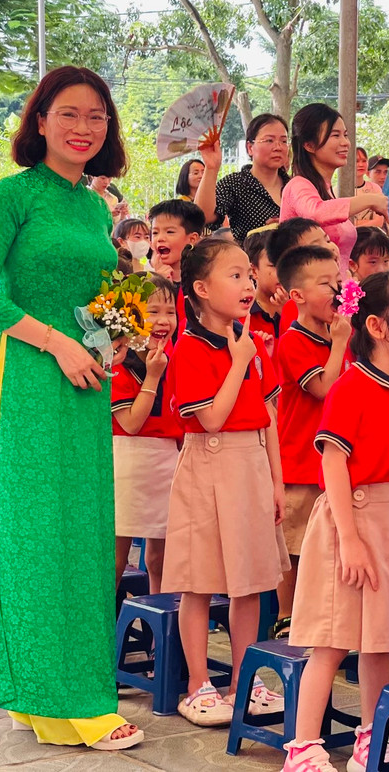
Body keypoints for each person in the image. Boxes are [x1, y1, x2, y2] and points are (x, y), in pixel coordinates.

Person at [0, 65, 145, 749]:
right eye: (69, 114)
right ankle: (68, 699)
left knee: (84, 531)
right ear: (38, 120)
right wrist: (58, 345)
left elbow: (98, 300)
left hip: (85, 379)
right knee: (38, 531)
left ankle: (38, 687)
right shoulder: (9, 197)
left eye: (97, 116)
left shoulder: (96, 206)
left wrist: (114, 337)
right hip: (30, 376)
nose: (83, 128)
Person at [282, 271, 389, 772]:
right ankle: (303, 748)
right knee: (331, 640)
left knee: (381, 641)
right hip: (351, 519)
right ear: (375, 325)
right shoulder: (351, 386)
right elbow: (332, 461)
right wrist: (348, 540)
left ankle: (372, 735)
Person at [166, 239, 287, 726]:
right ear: (200, 288)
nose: (247, 284)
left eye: (248, 275)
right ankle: (199, 685)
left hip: (251, 464)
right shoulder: (190, 348)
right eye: (234, 275)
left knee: (250, 584)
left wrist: (276, 480)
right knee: (199, 582)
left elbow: (270, 415)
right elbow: (212, 419)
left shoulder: (253, 341)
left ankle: (244, 680)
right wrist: (238, 363)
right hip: (208, 464)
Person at [272, 245, 350, 638]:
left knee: (324, 546)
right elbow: (324, 388)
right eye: (325, 284)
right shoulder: (293, 341)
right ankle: (287, 616)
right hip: (300, 458)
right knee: (295, 546)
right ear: (297, 295)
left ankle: (320, 618)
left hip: (334, 461)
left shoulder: (338, 335)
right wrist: (339, 344)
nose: (335, 291)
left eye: (337, 282)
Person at [110, 275, 180, 595]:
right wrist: (153, 376)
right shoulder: (118, 362)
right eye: (152, 312)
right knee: (115, 557)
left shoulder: (176, 359)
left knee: (161, 556)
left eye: (170, 312)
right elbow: (131, 423)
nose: (163, 321)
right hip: (127, 463)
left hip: (168, 460)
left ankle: (158, 638)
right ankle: (100, 636)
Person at [280, 104, 387, 274]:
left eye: (345, 135)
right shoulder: (297, 185)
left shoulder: (325, 189)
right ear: (309, 145)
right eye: (335, 135)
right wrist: (370, 199)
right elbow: (316, 213)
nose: (345, 143)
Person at [195, 114, 290, 244]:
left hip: (293, 262)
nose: (278, 147)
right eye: (269, 140)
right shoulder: (234, 183)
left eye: (284, 141)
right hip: (249, 262)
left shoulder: (294, 185)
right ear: (250, 148)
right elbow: (203, 217)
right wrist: (211, 168)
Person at [149, 199, 205, 292]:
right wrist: (159, 282)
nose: (160, 238)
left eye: (170, 232)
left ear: (192, 239)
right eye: (155, 232)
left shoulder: (203, 281)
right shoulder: (144, 282)